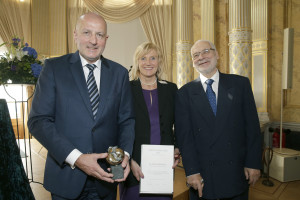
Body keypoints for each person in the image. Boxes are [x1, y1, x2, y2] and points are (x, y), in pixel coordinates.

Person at [27, 12, 135, 200]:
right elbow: (38, 121)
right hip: (66, 178)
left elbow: (126, 120)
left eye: (99, 35)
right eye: (87, 33)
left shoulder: (119, 73)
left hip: (106, 179)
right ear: (75, 34)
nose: (93, 40)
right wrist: (76, 158)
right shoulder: (53, 68)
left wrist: (124, 154)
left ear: (106, 39)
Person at [175, 40, 262, 200]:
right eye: (195, 55)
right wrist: (192, 171)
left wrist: (254, 163)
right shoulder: (184, 93)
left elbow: (252, 128)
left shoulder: (240, 84)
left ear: (217, 55)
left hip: (236, 172)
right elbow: (184, 137)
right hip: (203, 175)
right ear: (193, 62)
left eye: (206, 51)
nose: (201, 57)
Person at [119, 42, 180, 200]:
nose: (148, 62)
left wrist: (177, 148)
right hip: (134, 166)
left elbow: (180, 124)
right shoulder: (125, 88)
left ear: (159, 62)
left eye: (153, 58)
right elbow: (118, 128)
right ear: (137, 62)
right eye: (143, 58)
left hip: (163, 166)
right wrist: (129, 159)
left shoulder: (171, 89)